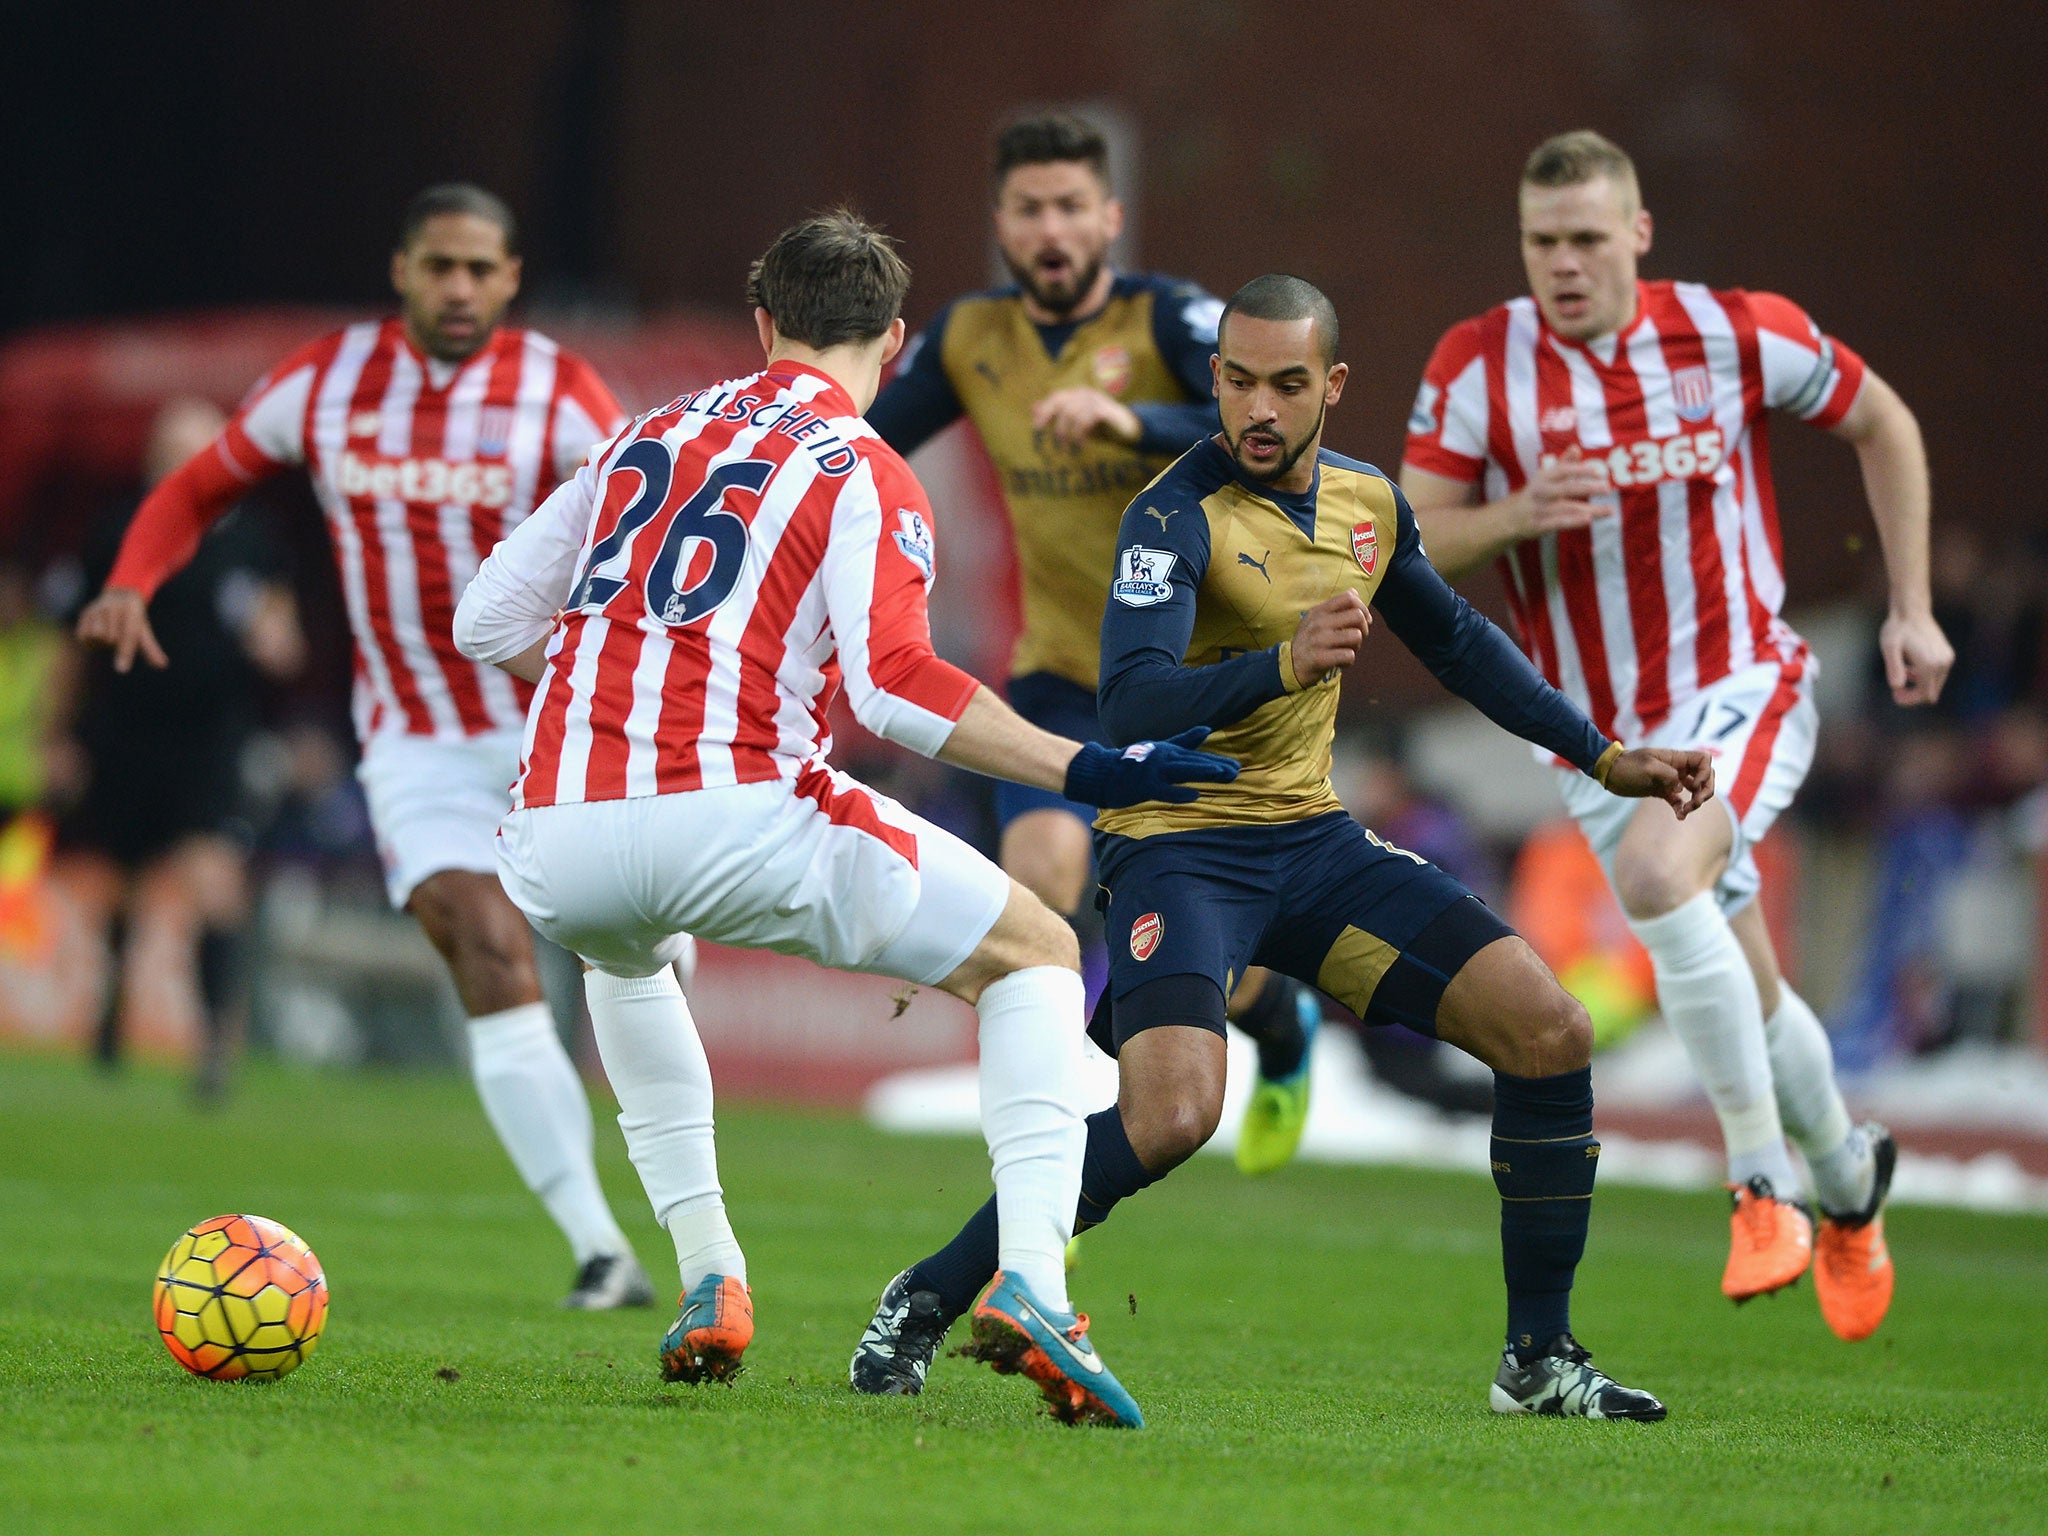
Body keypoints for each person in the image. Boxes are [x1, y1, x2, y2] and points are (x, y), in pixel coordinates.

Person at [852, 274, 1712, 1420]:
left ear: (1331, 387)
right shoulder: (1170, 512)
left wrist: (1603, 757)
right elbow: (1128, 705)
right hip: (1177, 849)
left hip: (1312, 846)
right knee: (1168, 1119)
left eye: (1287, 384)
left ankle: (1537, 1362)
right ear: (1214, 380)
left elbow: (1458, 646)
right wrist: (1281, 663)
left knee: (1548, 1032)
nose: (1259, 407)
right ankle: (924, 1295)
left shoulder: (1367, 504)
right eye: (1239, 381)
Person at [454, 211, 1238, 1429]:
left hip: (554, 836)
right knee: (1030, 953)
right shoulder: (864, 466)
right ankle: (1030, 1281)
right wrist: (1084, 769)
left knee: (626, 959)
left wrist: (631, 685)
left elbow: (486, 626)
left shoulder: (640, 435)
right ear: (896, 338)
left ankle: (710, 1274)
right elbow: (893, 686)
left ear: (762, 322)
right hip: (734, 806)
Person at [1399, 130, 1950, 1342]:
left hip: (1736, 684)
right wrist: (1513, 514)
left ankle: (1762, 1184)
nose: (1564, 264)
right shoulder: (1478, 364)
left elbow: (1884, 423)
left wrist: (1906, 607)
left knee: (1658, 874)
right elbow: (1408, 539)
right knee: (1744, 987)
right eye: (1542, 242)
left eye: (1588, 239)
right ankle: (1849, 1181)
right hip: (1594, 740)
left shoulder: (1730, 330)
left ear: (1636, 236)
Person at [75, 184, 655, 1310]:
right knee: (485, 947)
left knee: (630, 947)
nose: (457, 289)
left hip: (557, 725)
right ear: (401, 269)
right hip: (415, 742)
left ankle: (663, 1012)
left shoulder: (560, 391)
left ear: (510, 277)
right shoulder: (327, 382)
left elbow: (657, 504)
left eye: (478, 270)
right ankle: (598, 1247)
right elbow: (199, 484)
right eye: (438, 266)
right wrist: (134, 576)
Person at [870, 112, 1320, 1176]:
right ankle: (1050, 1166)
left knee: (1188, 928)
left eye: (1071, 205)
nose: (1051, 228)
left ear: (1109, 218)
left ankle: (1273, 1018)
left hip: (1197, 685)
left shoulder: (1169, 321)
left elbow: (1274, 426)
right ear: (1002, 226)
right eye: (1029, 210)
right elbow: (863, 437)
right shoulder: (972, 339)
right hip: (1061, 678)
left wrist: (1136, 425)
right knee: (1039, 884)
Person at [63, 398, 305, 1100]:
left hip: (210, 739)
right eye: (170, 450)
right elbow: (71, 638)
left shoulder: (251, 541)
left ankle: (212, 1044)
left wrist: (277, 641)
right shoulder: (115, 531)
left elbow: (282, 631)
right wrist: (60, 733)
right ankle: (111, 1011)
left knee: (214, 882)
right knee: (120, 886)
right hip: (127, 731)